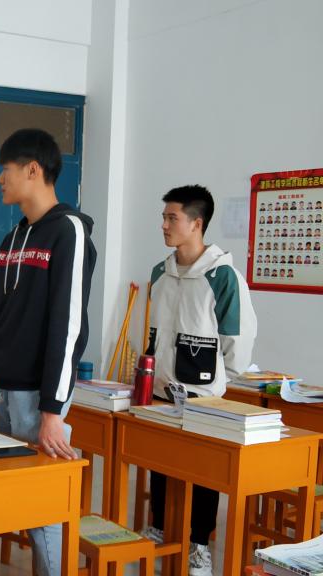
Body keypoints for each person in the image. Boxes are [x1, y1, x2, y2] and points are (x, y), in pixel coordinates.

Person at [0, 128, 96, 576]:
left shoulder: (69, 231)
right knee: (10, 496)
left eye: (6, 170)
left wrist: (53, 409)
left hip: (38, 397)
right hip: (1, 391)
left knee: (42, 509)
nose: (0, 179)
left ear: (33, 170)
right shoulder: (13, 237)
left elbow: (68, 326)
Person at [142, 184, 257, 576]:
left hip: (203, 397)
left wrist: (218, 382)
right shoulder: (160, 273)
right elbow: (155, 331)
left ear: (196, 223)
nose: (164, 225)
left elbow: (237, 340)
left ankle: (199, 544)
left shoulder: (223, 277)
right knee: (159, 463)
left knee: (204, 472)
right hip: (162, 391)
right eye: (164, 217)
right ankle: (159, 527)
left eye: (172, 218)